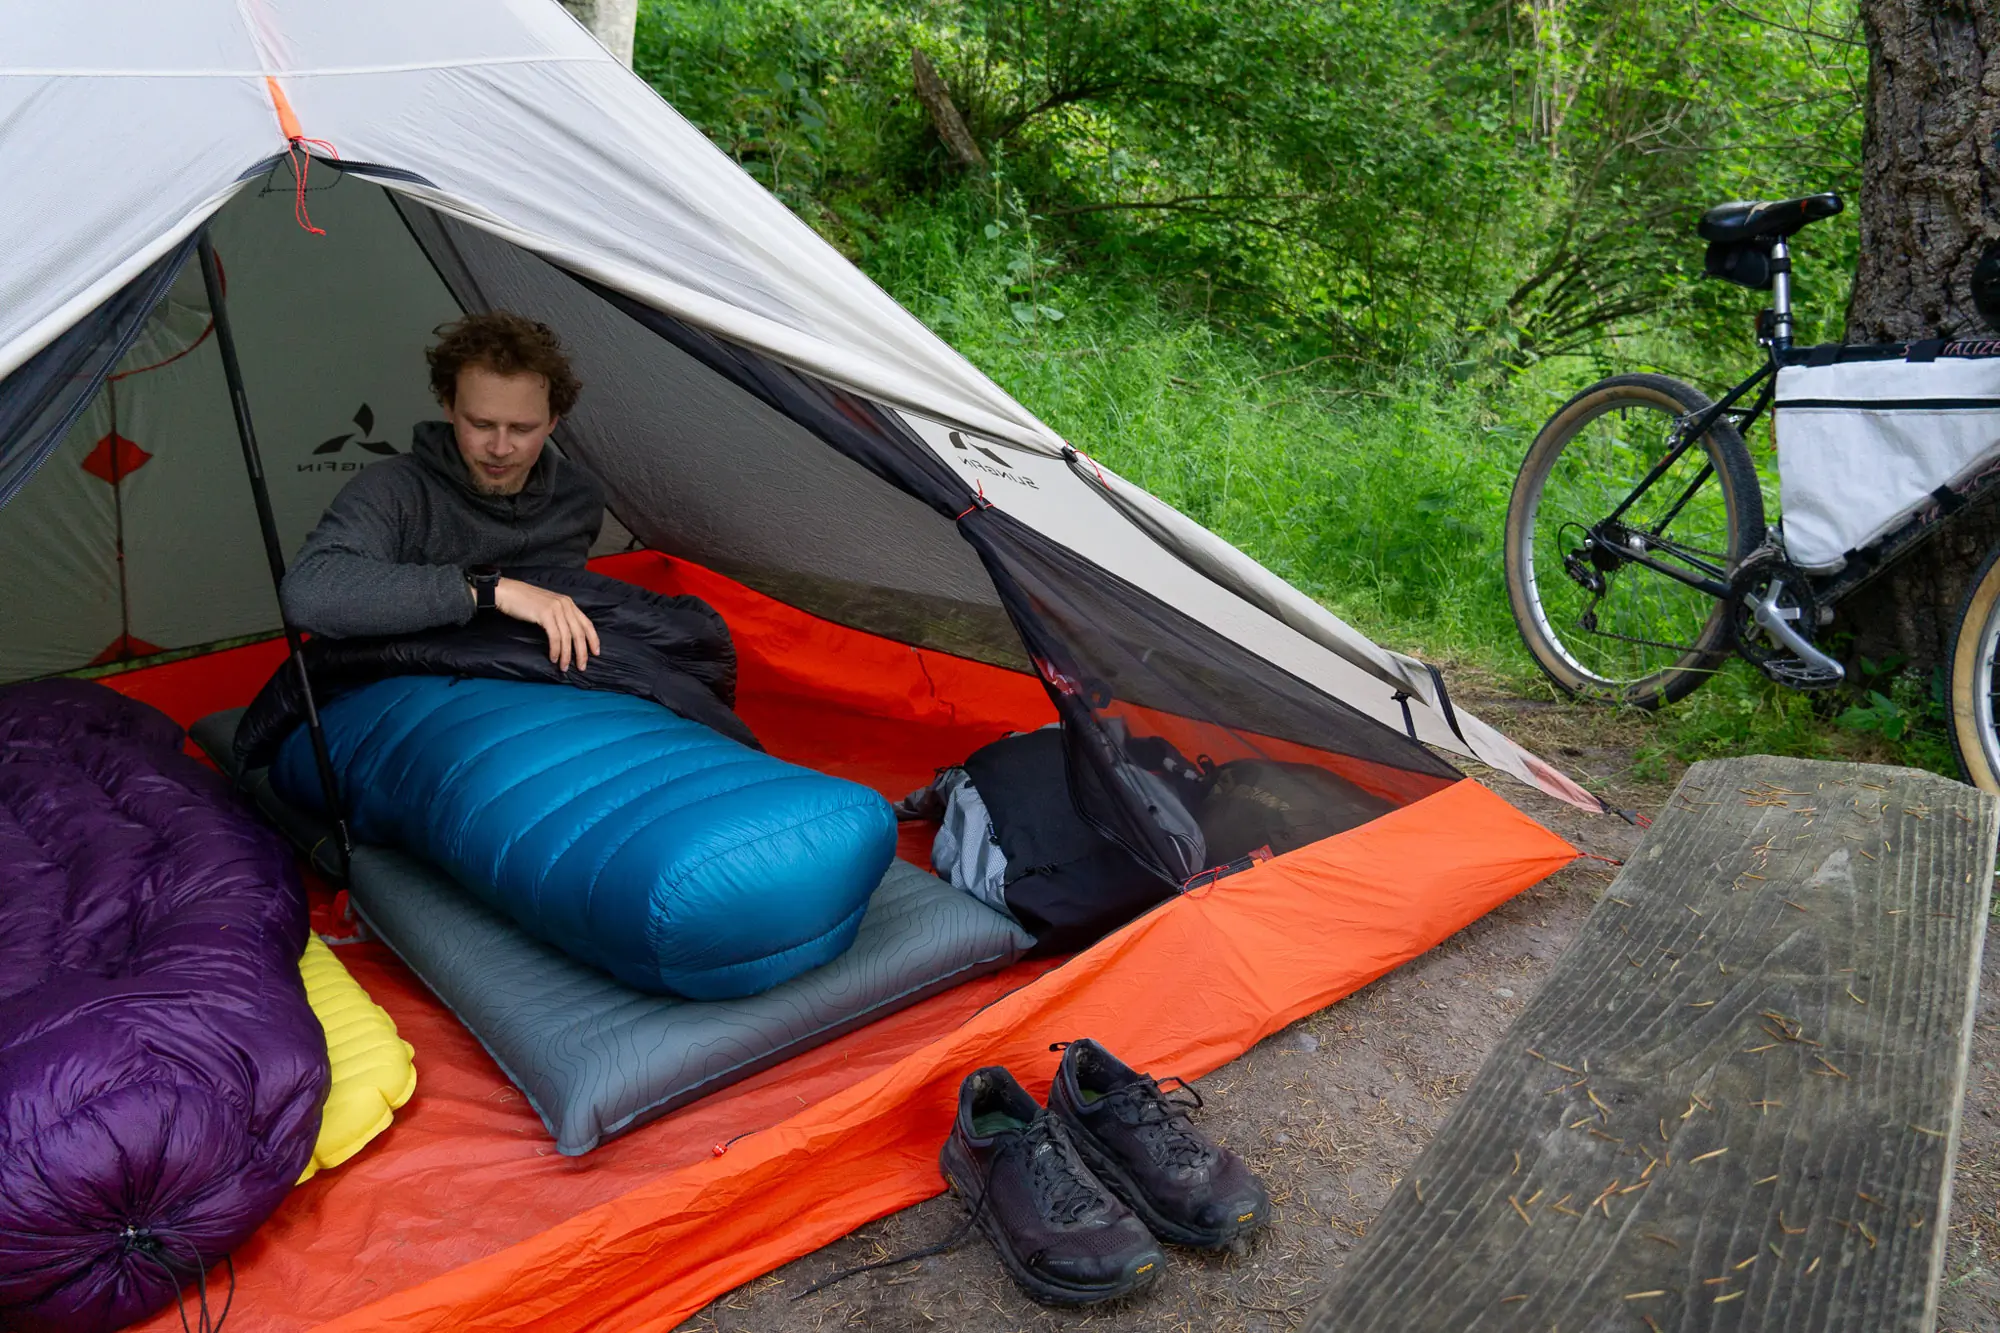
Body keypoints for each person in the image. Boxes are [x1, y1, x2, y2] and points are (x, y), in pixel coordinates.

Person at [282, 312, 607, 671]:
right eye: (481, 424)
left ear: (552, 422)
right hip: (409, 688)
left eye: (521, 428)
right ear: (449, 408)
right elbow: (309, 593)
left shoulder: (579, 497)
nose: (499, 448)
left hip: (537, 690)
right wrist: (488, 591)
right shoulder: (394, 489)